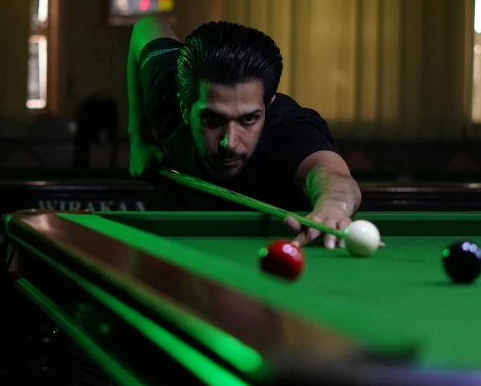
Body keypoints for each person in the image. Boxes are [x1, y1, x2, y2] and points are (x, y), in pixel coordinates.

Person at [127, 15, 361, 248]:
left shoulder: (288, 129)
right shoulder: (167, 91)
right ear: (184, 107)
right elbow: (146, 25)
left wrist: (333, 205)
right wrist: (139, 138)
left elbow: (332, 175)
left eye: (248, 119)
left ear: (267, 107)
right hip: (170, 239)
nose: (229, 142)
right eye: (212, 118)